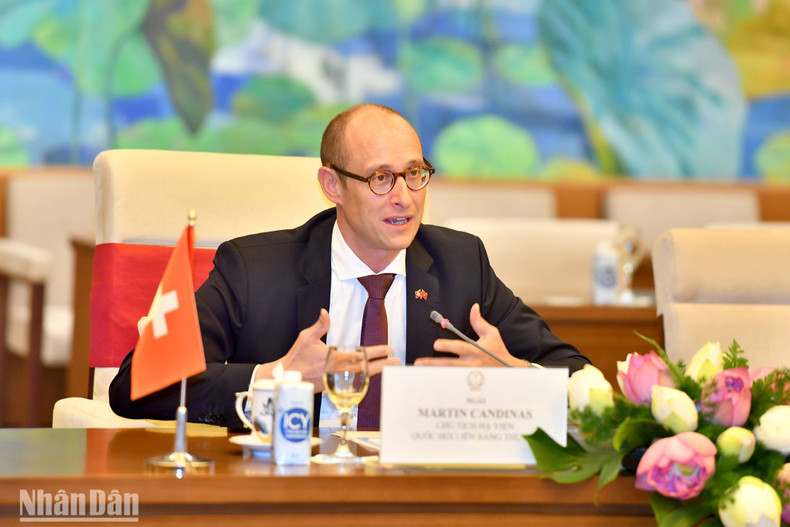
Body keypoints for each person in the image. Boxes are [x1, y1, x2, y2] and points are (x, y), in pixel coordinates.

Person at [109, 104, 590, 428]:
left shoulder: (461, 265)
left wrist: (517, 378)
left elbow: (577, 375)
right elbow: (136, 385)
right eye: (381, 178)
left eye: (416, 174)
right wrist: (274, 380)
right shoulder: (255, 271)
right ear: (332, 185)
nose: (405, 197)